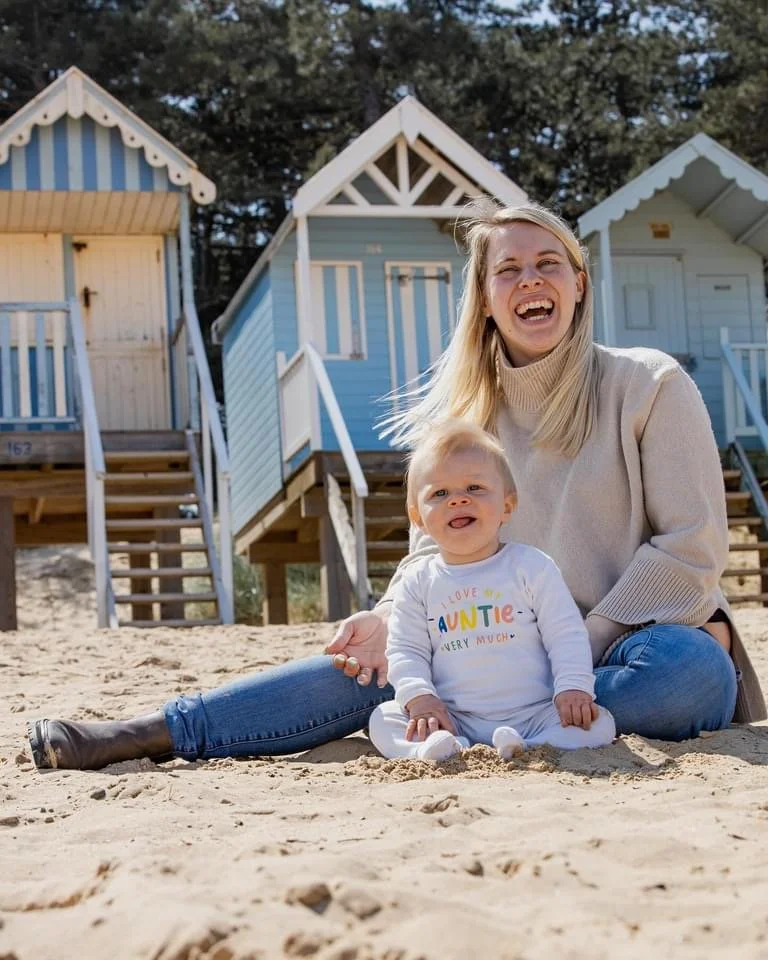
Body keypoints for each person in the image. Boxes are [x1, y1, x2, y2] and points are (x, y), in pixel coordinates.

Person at [27, 199, 766, 773]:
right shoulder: (462, 425)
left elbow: (693, 548)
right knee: (374, 668)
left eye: (549, 263)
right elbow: (429, 557)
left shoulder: (649, 385)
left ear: (579, 283)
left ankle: (502, 720)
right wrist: (389, 618)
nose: (531, 280)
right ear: (484, 298)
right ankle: (152, 732)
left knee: (694, 668)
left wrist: (581, 645)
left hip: (619, 650)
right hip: (486, 647)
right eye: (508, 270)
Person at [367, 419, 616, 762]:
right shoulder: (417, 581)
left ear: (507, 506)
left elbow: (566, 634)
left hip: (534, 712)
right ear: (418, 518)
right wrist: (419, 697)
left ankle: (531, 746)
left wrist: (572, 687)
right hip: (453, 717)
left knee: (600, 723)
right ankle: (440, 749)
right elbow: (405, 649)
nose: (458, 500)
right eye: (439, 494)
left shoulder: (532, 567)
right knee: (382, 719)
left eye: (475, 488)